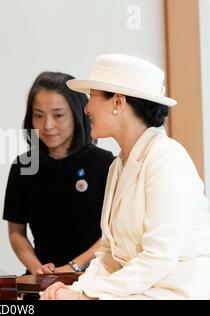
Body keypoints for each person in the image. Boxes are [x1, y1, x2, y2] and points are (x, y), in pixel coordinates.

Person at [41, 54, 210, 300]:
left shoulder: (167, 158)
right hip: (137, 291)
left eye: (92, 97)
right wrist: (75, 289)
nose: (86, 108)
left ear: (118, 103)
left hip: (175, 293)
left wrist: (85, 296)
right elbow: (108, 255)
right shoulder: (118, 165)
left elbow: (158, 258)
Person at [3, 71, 114, 275]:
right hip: (42, 277)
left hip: (94, 275)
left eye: (58, 115)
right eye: (38, 115)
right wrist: (37, 269)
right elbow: (16, 233)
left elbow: (112, 231)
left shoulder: (105, 163)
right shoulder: (23, 166)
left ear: (77, 113)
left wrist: (73, 268)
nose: (47, 126)